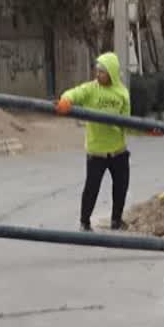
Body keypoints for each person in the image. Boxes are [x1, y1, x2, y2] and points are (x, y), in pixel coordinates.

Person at [55, 52, 132, 231]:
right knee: (91, 188)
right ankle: (84, 222)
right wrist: (65, 100)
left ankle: (116, 220)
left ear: (111, 72)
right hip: (96, 152)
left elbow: (128, 124)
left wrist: (148, 130)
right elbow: (74, 93)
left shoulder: (122, 93)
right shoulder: (91, 89)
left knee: (121, 186)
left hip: (118, 151)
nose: (98, 74)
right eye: (97, 71)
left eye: (102, 72)